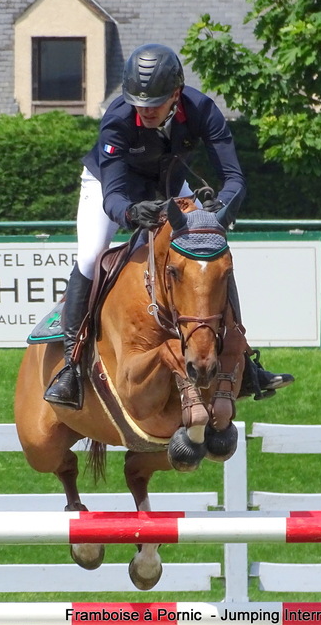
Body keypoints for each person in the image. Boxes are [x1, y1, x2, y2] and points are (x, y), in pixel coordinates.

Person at [43, 43, 293, 410]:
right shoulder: (118, 120)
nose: (144, 111)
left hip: (170, 185)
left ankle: (242, 359)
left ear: (176, 94)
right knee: (91, 255)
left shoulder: (202, 110)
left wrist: (219, 209)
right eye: (138, 103)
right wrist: (130, 213)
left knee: (210, 249)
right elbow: (112, 195)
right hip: (112, 188)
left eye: (154, 103)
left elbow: (234, 177)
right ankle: (71, 366)